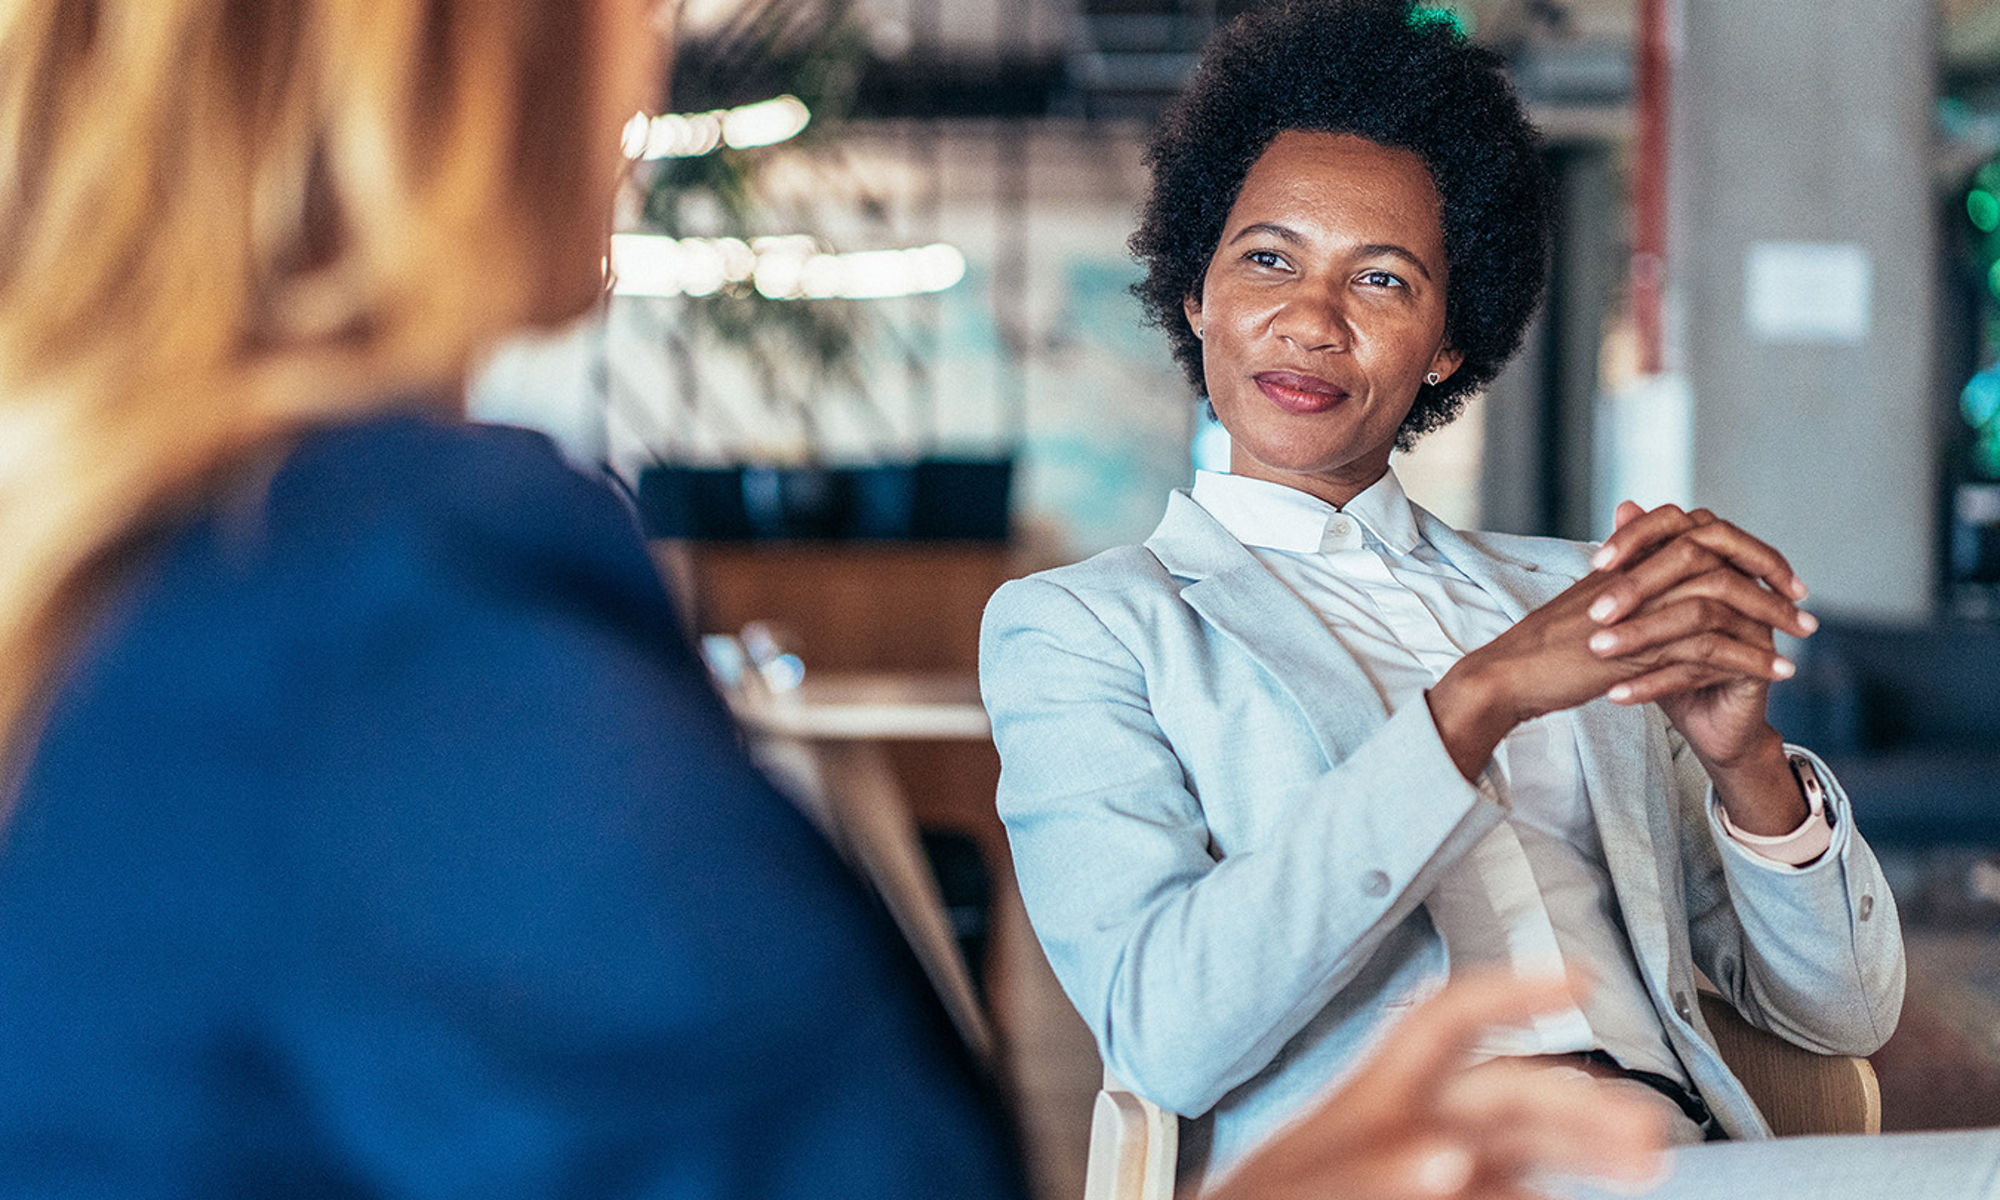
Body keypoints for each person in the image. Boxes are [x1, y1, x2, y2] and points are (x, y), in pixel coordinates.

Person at [0, 2, 1672, 1198]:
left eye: (1380, 275)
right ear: (460, 51)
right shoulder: (405, 655)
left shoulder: (139, 606)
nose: (649, 48)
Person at [981, 2, 2000, 1196]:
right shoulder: (1089, 628)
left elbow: (1840, 1013)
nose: (1310, 320)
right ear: (1194, 291)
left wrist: (1746, 765)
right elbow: (1161, 1028)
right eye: (1265, 258)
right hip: (1391, 1167)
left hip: (1665, 1160)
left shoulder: (1574, 596)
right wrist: (1472, 705)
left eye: (1380, 279)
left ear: (1447, 344)